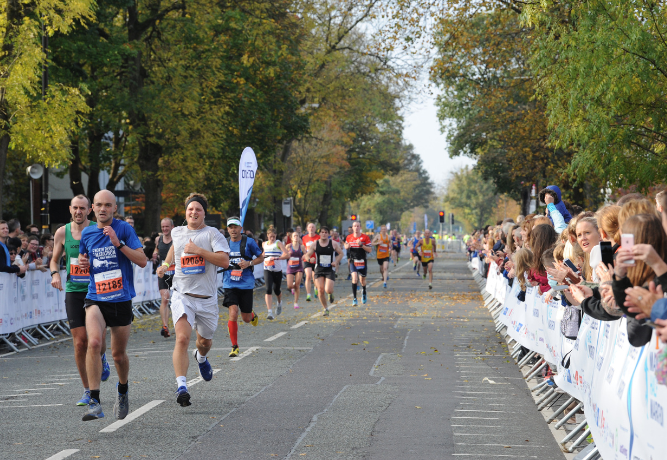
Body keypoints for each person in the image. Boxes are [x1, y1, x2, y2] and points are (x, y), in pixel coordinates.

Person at [78, 190, 147, 421]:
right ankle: (95, 401)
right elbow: (85, 260)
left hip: (120, 298)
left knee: (118, 355)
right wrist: (83, 262)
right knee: (94, 342)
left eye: (108, 205)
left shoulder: (124, 229)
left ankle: (123, 389)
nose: (103, 209)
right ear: (92, 209)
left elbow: (142, 260)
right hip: (95, 295)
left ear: (114, 208)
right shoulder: (87, 233)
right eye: (98, 205)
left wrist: (118, 244)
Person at [157, 193, 230, 406]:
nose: (194, 212)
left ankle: (201, 357)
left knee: (204, 342)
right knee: (181, 338)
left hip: (206, 299)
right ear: (186, 212)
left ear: (204, 213)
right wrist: (165, 264)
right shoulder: (178, 232)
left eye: (198, 209)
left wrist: (198, 250)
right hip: (183, 296)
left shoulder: (212, 234)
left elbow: (224, 261)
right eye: (190, 209)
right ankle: (182, 386)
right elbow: (174, 249)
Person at [50, 195, 111, 407]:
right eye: (75, 208)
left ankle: (102, 358)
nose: (78, 212)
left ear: (90, 209)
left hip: (96, 291)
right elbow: (54, 259)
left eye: (82, 208)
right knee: (80, 343)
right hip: (74, 291)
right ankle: (87, 390)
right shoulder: (62, 232)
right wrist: (55, 274)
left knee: (98, 341)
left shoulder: (97, 229)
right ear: (70, 209)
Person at [223, 216, 264, 358]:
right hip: (229, 283)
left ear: (241, 228)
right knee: (233, 313)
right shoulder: (224, 243)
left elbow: (261, 257)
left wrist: (248, 263)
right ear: (227, 229)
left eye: (235, 227)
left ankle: (251, 314)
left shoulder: (249, 242)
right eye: (230, 227)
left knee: (246, 318)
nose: (233, 230)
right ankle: (234, 346)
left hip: (246, 283)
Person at [304, 226, 343, 316]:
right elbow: (307, 255)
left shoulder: (333, 243)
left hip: (329, 269)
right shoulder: (315, 244)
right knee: (320, 290)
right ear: (320, 234)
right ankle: (326, 308)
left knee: (328, 290)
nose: (324, 234)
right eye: (322, 232)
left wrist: (336, 261)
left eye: (326, 232)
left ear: (328, 234)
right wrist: (310, 260)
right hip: (319, 269)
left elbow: (341, 253)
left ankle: (330, 294)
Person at [153, 218, 175, 338]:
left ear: (172, 226)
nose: (165, 229)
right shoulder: (159, 239)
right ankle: (165, 326)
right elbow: (156, 248)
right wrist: (155, 253)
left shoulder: (176, 239)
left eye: (167, 227)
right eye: (163, 227)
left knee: (178, 299)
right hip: (163, 273)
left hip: (176, 273)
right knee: (165, 298)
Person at [262, 226, 288, 320]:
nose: (272, 238)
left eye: (274, 236)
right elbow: (263, 254)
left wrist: (278, 258)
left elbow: (287, 254)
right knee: (268, 289)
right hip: (267, 269)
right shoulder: (264, 244)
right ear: (267, 236)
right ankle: (269, 312)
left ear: (276, 236)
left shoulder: (278, 243)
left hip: (277, 270)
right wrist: (261, 257)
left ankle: (279, 303)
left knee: (276, 290)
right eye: (270, 236)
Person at [345, 221, 372, 305]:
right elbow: (345, 246)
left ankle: (364, 292)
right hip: (353, 260)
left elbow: (370, 250)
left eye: (358, 226)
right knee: (354, 278)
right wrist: (347, 246)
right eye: (354, 226)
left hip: (362, 260)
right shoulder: (349, 237)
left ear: (360, 227)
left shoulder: (365, 237)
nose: (356, 228)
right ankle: (355, 299)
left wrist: (362, 245)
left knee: (362, 280)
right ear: (352, 228)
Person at [285, 232, 305, 309]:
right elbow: (284, 255)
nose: (296, 237)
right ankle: (292, 287)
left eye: (297, 236)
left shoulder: (302, 247)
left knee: (297, 284)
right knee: (289, 286)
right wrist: (287, 255)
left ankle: (295, 302)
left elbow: (305, 254)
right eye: (294, 236)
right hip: (290, 267)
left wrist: (305, 257)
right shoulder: (288, 246)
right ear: (292, 238)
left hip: (299, 267)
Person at [302, 223, 320, 301]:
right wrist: (305, 255)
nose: (311, 228)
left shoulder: (318, 237)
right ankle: (308, 294)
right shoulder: (304, 238)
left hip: (316, 260)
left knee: (315, 277)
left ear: (315, 229)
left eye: (313, 227)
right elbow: (303, 248)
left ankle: (316, 288)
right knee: (308, 276)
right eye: (310, 227)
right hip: (307, 259)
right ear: (307, 229)